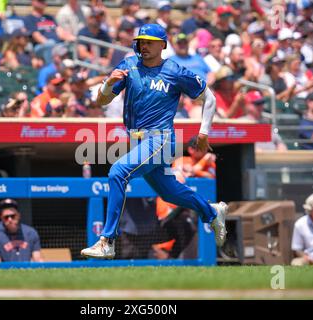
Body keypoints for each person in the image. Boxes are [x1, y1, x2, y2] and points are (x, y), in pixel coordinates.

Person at [80, 23, 228, 259]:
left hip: (161, 139)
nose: (143, 45)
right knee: (170, 194)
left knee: (117, 172)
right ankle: (211, 211)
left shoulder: (175, 70)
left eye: (149, 41)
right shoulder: (128, 65)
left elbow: (208, 97)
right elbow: (102, 102)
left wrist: (203, 132)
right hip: (139, 142)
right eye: (141, 41)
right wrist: (108, 84)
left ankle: (107, 241)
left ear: (162, 45)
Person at [153, 135, 217, 260]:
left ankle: (170, 258)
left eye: (204, 148)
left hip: (189, 205)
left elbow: (210, 178)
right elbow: (180, 178)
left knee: (188, 232)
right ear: (191, 149)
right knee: (173, 231)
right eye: (199, 148)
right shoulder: (182, 160)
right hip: (170, 205)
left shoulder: (210, 164)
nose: (204, 151)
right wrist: (200, 166)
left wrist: (194, 170)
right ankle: (162, 252)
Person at [0, 198, 43, 262]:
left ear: (18, 215)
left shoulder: (30, 233)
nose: (10, 219)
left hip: (27, 270)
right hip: (6, 271)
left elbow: (37, 259)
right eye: (6, 217)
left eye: (13, 216)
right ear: (1, 218)